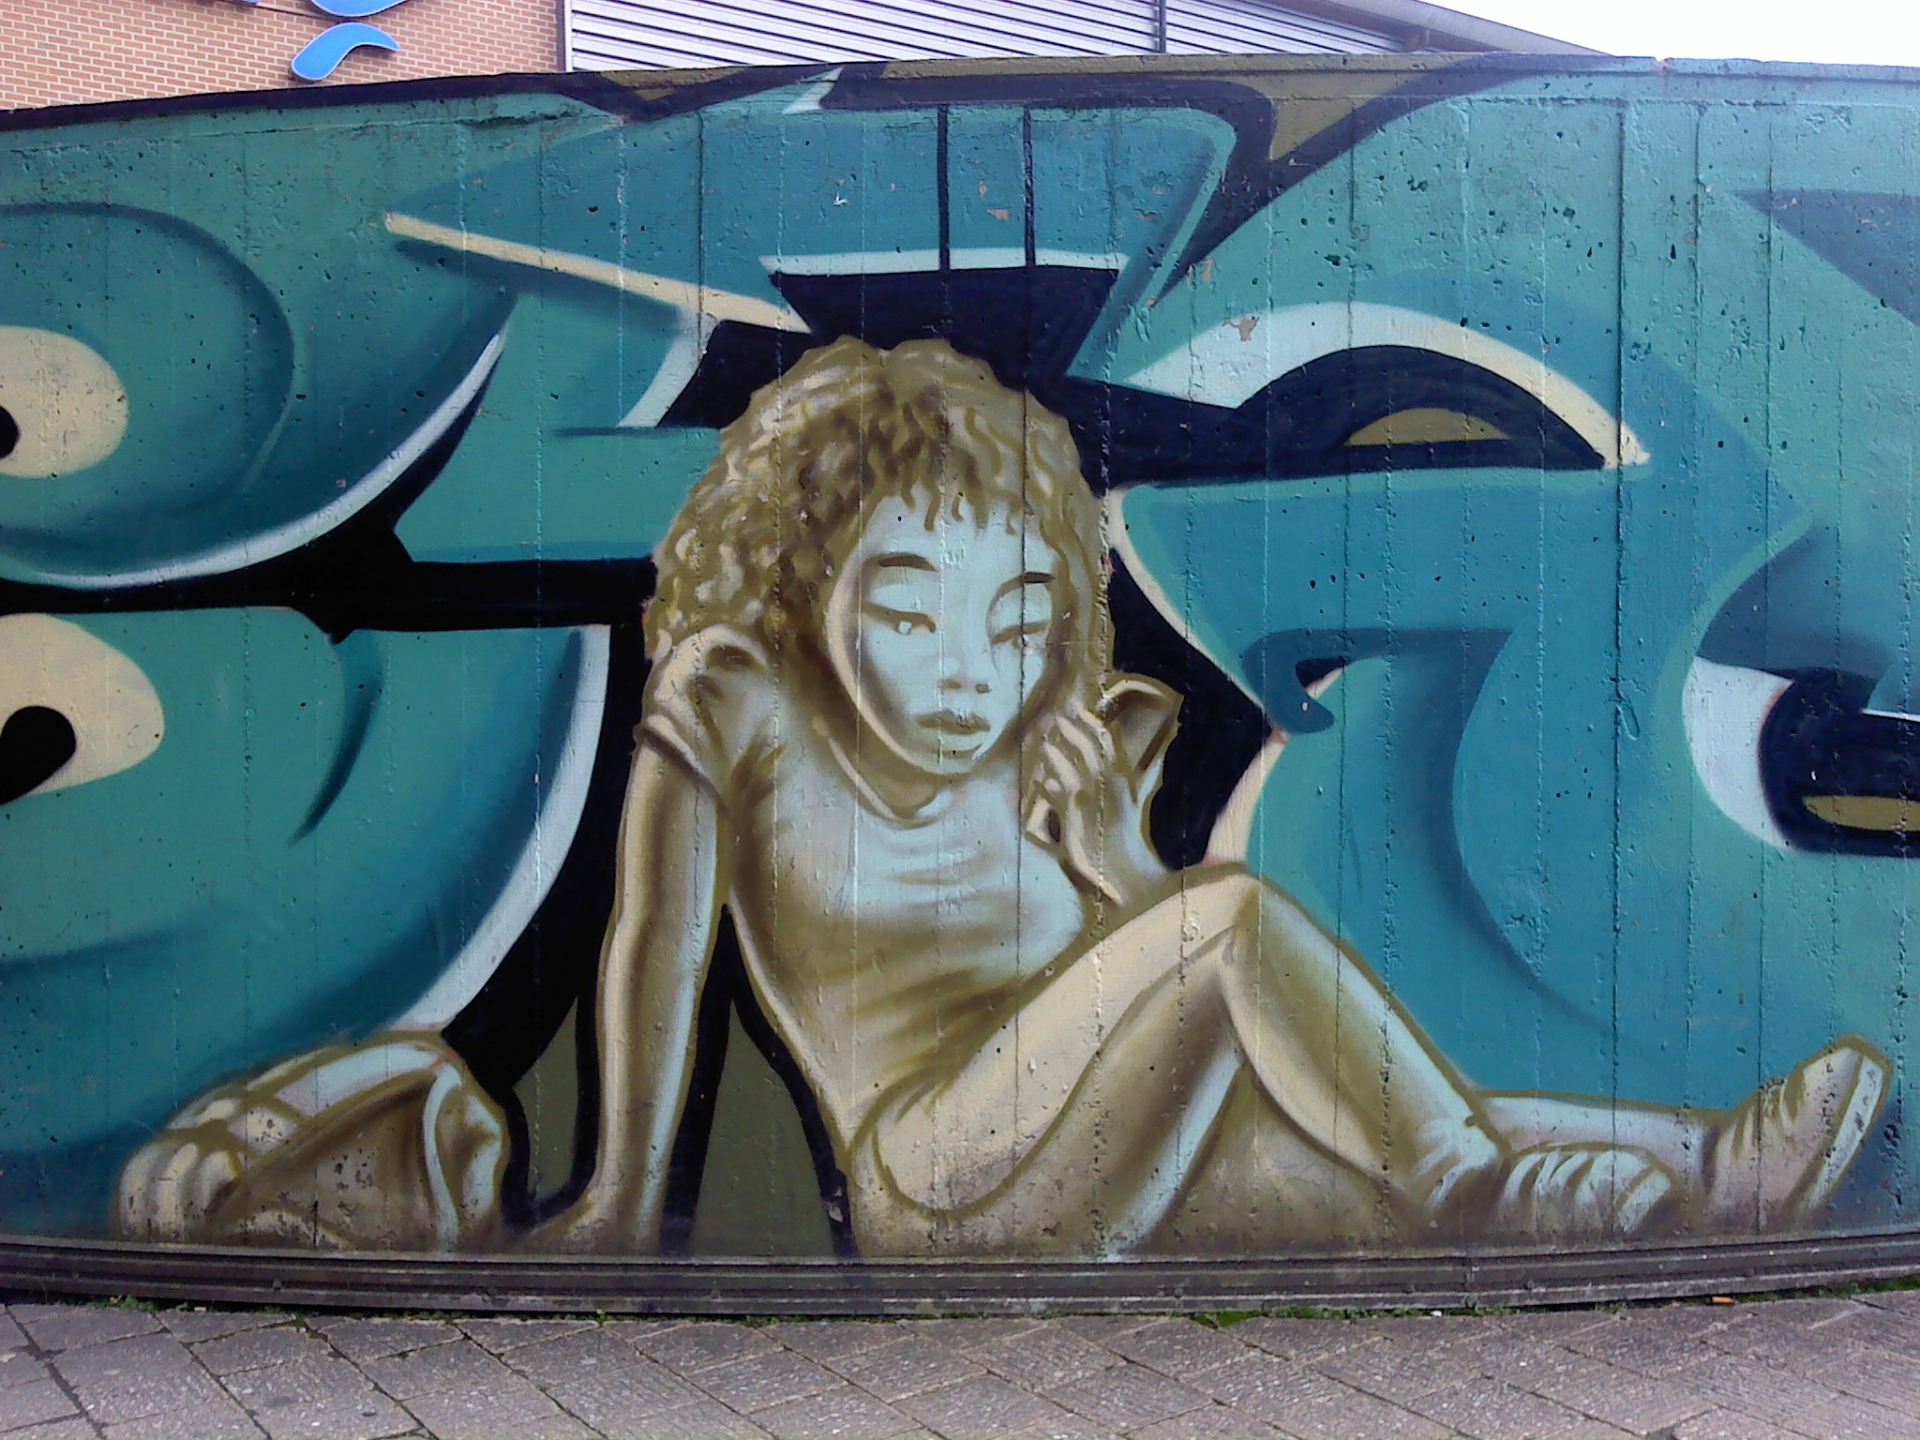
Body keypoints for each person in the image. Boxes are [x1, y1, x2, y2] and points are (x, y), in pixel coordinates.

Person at [535, 336, 1891, 1257]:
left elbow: (1134, 994)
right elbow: (657, 945)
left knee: (1349, 1145)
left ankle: (1707, 1172)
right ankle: (1479, 1187)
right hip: (932, 1178)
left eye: (1015, 625)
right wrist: (621, 1206)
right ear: (802, 572)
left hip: (1092, 1147)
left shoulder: (1046, 744)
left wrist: (1117, 861)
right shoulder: (739, 695)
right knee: (1242, 929)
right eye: (907, 612)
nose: (968, 676)